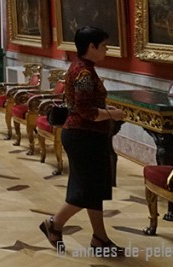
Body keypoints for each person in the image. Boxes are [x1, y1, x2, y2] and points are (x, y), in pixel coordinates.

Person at [39, 26, 125, 257]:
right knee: (86, 190)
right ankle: (54, 224)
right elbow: (87, 112)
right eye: (104, 45)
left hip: (85, 135)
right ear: (92, 47)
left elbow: (84, 106)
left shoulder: (81, 67)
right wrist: (111, 114)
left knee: (93, 188)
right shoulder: (85, 73)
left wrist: (106, 110)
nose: (107, 49)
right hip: (84, 136)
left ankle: (100, 238)